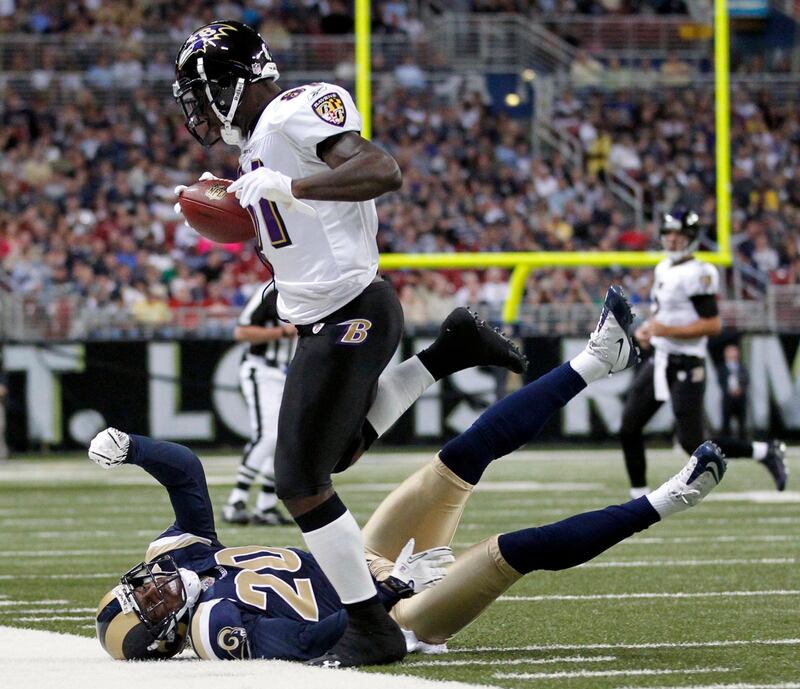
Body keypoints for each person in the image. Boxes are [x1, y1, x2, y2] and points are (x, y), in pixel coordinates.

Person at [90, 287, 725, 665]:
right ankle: (669, 499)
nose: (154, 587)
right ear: (165, 635)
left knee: (457, 458)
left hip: (367, 560)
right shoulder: (213, 629)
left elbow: (188, 478)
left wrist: (134, 447)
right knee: (511, 551)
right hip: (395, 618)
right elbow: (315, 640)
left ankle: (596, 359)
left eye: (139, 587)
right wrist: (389, 595)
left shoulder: (180, 558)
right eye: (148, 605)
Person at [171, 20, 528, 667]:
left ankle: (370, 626)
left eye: (206, 89)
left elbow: (378, 168)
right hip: (330, 316)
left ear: (239, 80)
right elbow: (298, 231)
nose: (199, 106)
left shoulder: (290, 112)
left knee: (300, 478)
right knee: (338, 453)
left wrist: (292, 188)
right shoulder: (261, 143)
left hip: (350, 313)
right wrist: (237, 206)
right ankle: (451, 348)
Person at [620, 210, 788, 497]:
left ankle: (764, 450)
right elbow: (666, 316)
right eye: (669, 233)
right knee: (628, 427)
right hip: (661, 359)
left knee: (692, 444)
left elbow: (712, 324)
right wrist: (648, 330)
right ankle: (638, 497)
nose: (672, 240)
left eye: (679, 235)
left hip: (688, 363)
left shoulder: (699, 273)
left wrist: (663, 330)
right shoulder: (664, 268)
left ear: (691, 238)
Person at [222, 281, 296, 526]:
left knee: (284, 438)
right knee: (268, 435)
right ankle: (236, 501)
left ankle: (266, 504)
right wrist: (283, 332)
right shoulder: (272, 290)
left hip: (291, 373)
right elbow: (241, 332)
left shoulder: (316, 287)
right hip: (264, 370)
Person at [718, 343, 749, 439]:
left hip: (740, 399)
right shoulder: (722, 368)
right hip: (728, 399)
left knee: (742, 424)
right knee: (726, 423)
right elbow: (721, 381)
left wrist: (740, 389)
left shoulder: (742, 367)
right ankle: (726, 443)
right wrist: (729, 391)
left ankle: (742, 444)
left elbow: (746, 380)